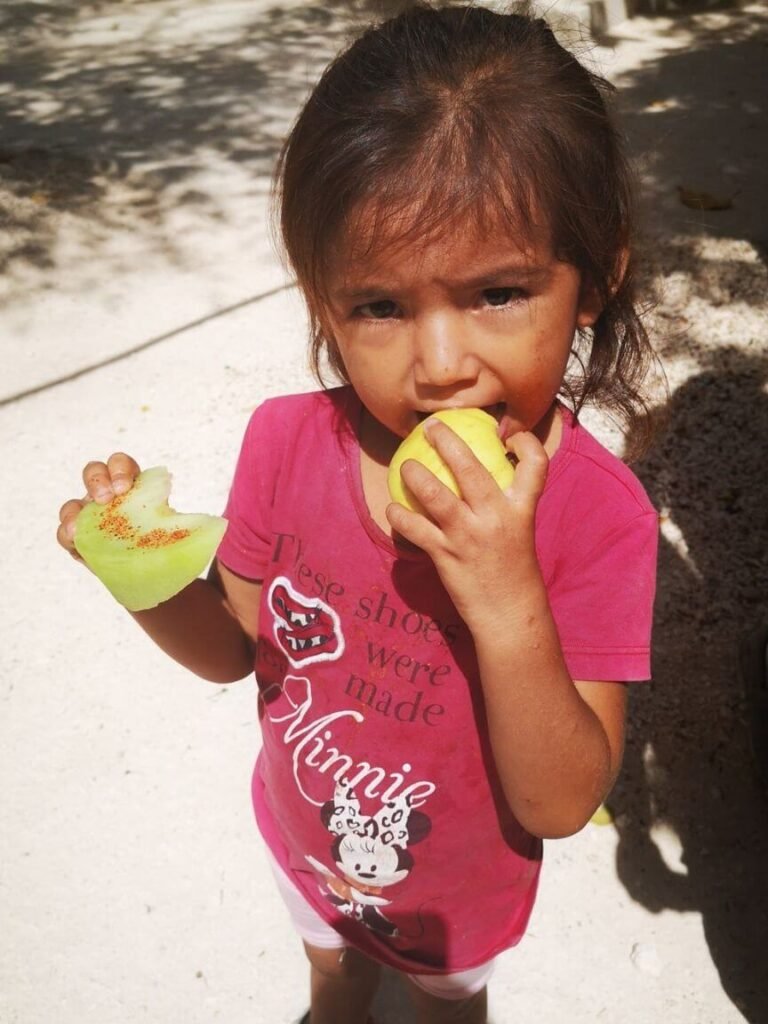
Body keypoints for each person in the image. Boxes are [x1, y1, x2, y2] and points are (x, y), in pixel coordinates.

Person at [56, 4, 659, 1022]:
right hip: (306, 842)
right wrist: (141, 574)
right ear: (324, 304)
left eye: (499, 292)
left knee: (446, 1004)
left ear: (595, 276)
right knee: (332, 970)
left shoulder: (602, 518)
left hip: (458, 895)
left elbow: (560, 802)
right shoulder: (287, 445)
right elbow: (236, 651)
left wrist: (508, 598)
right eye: (379, 307)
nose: (440, 366)